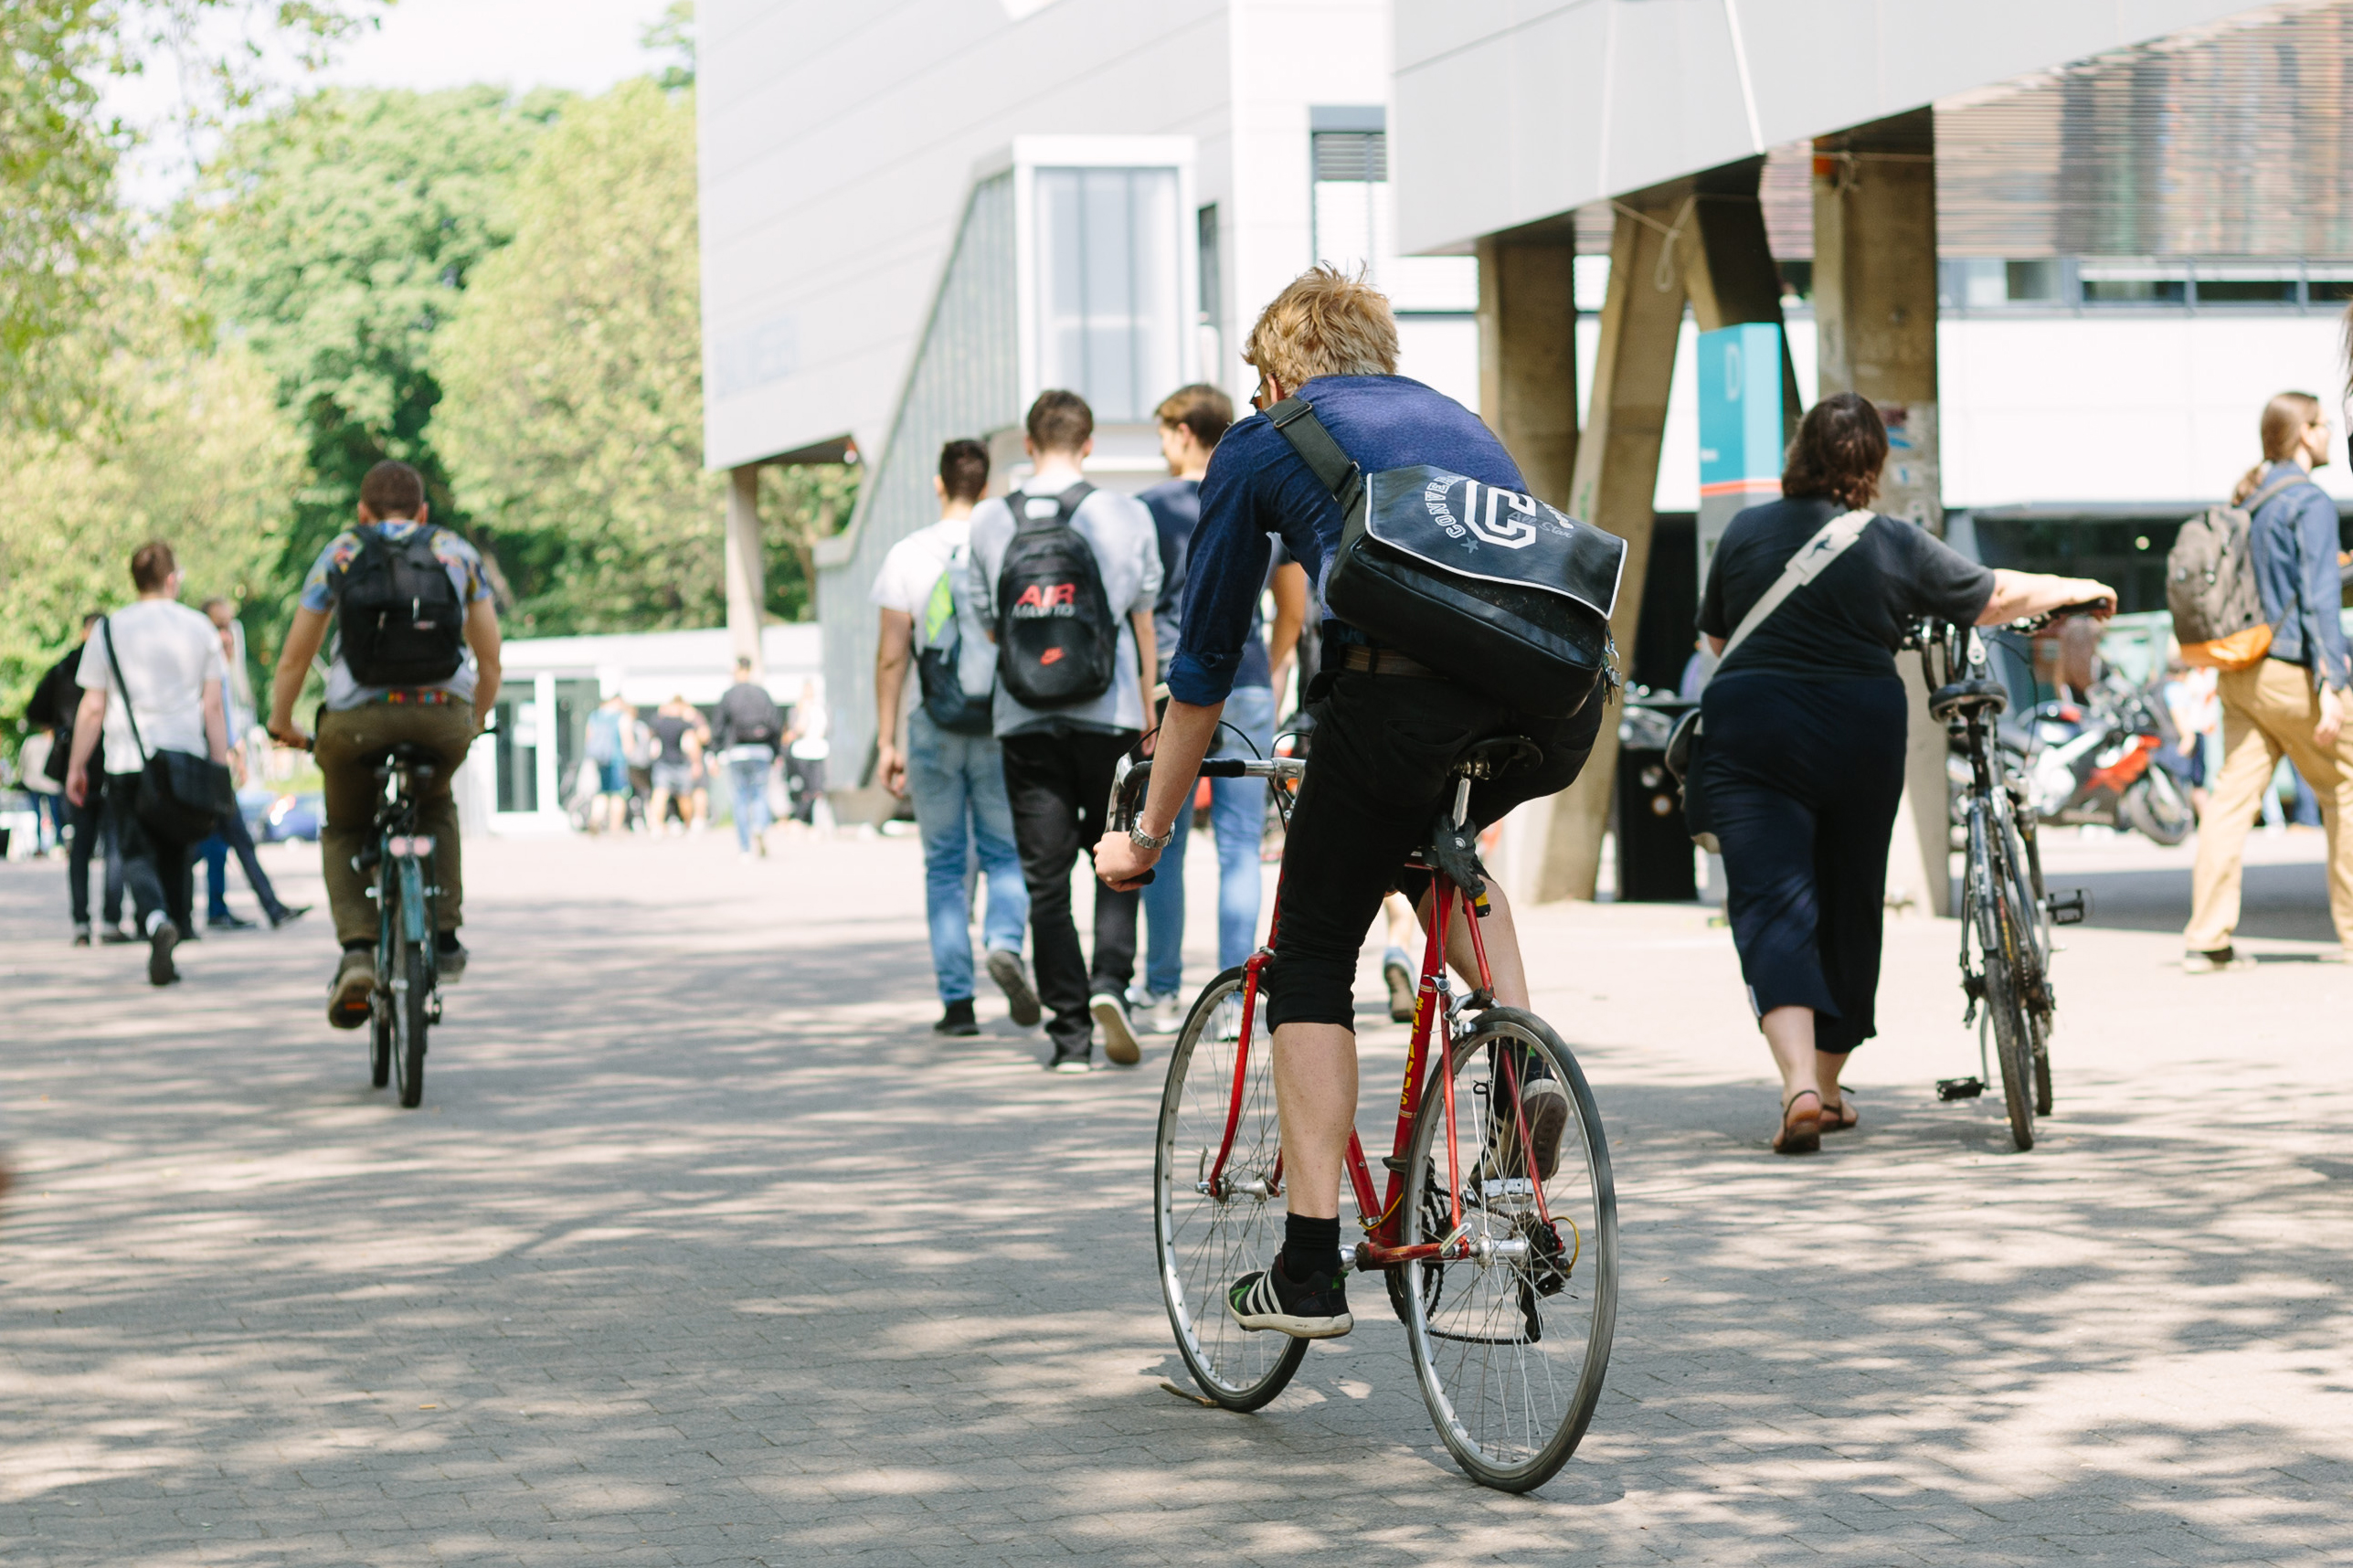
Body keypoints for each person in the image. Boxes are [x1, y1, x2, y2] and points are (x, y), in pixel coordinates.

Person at [1095, 265, 1605, 1337]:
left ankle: (1308, 1268)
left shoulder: (1264, 440)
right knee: (1437, 856)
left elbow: (1201, 677)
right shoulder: (1455, 421)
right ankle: (1516, 1070)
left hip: (1401, 701)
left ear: (1278, 369)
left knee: (1313, 952)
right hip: (1554, 706)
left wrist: (1146, 833)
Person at [1693, 393, 2114, 1155]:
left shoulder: (1748, 529)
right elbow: (1992, 595)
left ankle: (1798, 1087)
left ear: (1800, 452)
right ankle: (1828, 1080)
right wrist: (2071, 589)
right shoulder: (1891, 540)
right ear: (1873, 465)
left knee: (1770, 902)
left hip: (1751, 730)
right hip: (1858, 728)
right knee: (1851, 898)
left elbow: (1719, 640)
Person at [268, 459, 501, 1028]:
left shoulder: (342, 552)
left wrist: (283, 725)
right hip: (441, 714)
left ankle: (356, 951)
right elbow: (490, 658)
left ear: (363, 512)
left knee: (345, 825)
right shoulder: (454, 551)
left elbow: (297, 657)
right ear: (422, 512)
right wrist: (474, 719)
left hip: (359, 719)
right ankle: (443, 936)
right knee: (437, 803)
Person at [968, 388, 1161, 1072]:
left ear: (1026, 444)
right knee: (1117, 860)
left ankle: (1070, 1035)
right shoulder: (1125, 514)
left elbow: (990, 623)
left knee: (1044, 879)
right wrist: (1147, 714)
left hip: (1022, 718)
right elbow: (1142, 623)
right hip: (1107, 717)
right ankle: (1111, 982)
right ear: (1088, 443)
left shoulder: (990, 520)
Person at [1129, 384, 1309, 1034]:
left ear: (1182, 432)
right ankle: (1238, 999)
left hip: (1174, 690)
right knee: (1239, 845)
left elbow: (1138, 614)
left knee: (1161, 836)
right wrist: (1275, 665)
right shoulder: (1261, 492)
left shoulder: (1145, 509)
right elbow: (1292, 609)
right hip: (1251, 679)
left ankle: (1161, 992)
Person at [871, 438, 1038, 1036]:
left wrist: (886, 740)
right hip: (1001, 719)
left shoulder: (907, 555)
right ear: (986, 485)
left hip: (933, 723)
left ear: (939, 484)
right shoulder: (1005, 544)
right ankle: (1003, 943)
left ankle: (958, 1003)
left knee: (943, 865)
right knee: (1003, 852)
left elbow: (892, 657)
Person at [2185, 391, 2353, 969]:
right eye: (2324, 425)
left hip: (2241, 670)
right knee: (2348, 789)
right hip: (2293, 672)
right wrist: (2333, 679)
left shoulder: (2251, 498)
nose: (2330, 435)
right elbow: (2318, 597)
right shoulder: (2309, 502)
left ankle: (2207, 939)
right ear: (2304, 433)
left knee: (2230, 802)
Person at [63, 541, 234, 987]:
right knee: (178, 845)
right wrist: (222, 766)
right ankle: (172, 928)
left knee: (135, 849)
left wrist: (77, 766)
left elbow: (92, 708)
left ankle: (157, 921)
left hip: (127, 760)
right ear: (172, 578)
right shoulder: (200, 629)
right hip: (184, 756)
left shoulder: (109, 629)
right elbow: (213, 707)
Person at [194, 597, 305, 931]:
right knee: (230, 839)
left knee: (220, 840)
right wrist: (227, 753)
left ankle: (222, 908)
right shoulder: (204, 666)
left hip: (218, 765)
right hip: (210, 766)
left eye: (229, 627)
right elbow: (210, 714)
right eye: (218, 627)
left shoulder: (223, 667)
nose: (226, 636)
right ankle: (265, 907)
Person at [29, 613, 126, 943]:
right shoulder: (115, 664)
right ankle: (111, 922)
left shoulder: (63, 667)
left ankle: (81, 924)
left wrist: (58, 730)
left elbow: (35, 711)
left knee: (81, 849)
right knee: (114, 846)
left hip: (77, 763)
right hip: (112, 762)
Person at [715, 657, 784, 857]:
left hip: (736, 752)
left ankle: (745, 848)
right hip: (762, 752)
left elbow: (718, 726)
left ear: (736, 670)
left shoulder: (729, 695)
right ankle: (760, 826)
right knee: (760, 794)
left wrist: (715, 752)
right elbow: (775, 724)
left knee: (740, 799)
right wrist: (777, 752)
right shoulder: (762, 694)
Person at [584, 691, 639, 834]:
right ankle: (615, 827)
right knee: (618, 794)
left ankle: (595, 819)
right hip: (617, 760)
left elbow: (589, 739)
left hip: (600, 760)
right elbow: (628, 741)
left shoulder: (595, 716)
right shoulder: (621, 717)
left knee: (602, 792)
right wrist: (631, 755)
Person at [646, 695, 703, 832]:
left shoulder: (659, 723)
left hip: (662, 763)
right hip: (681, 763)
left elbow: (651, 741)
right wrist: (696, 763)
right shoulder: (684, 724)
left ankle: (656, 826)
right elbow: (691, 744)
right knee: (684, 797)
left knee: (660, 794)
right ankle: (689, 824)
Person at [783, 680, 829, 827]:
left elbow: (825, 731)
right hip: (802, 753)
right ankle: (802, 818)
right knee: (804, 789)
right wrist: (803, 712)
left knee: (817, 788)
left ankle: (817, 821)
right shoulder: (796, 711)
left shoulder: (821, 709)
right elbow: (798, 729)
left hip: (818, 752)